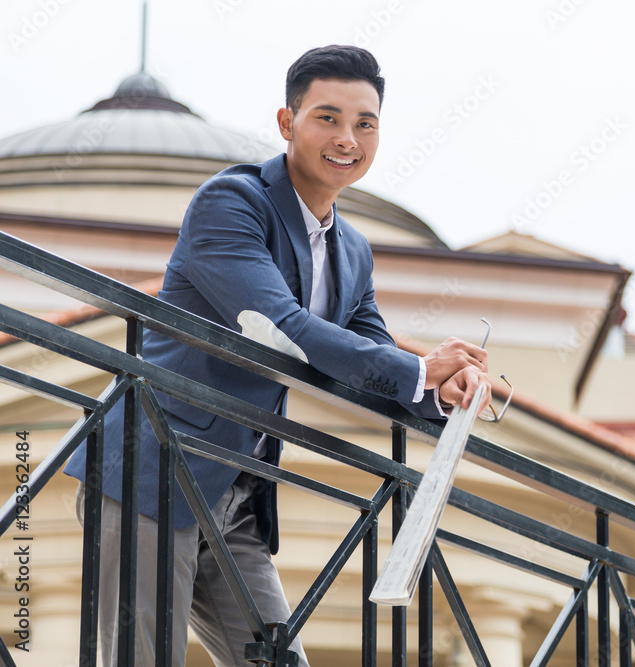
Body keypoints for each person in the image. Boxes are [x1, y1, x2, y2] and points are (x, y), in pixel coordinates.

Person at [64, 45, 491, 666]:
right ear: (287, 124)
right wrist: (419, 370)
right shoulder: (231, 203)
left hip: (235, 494)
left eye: (365, 123)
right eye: (328, 117)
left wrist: (437, 390)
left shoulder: (353, 251)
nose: (348, 138)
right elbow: (280, 328)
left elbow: (367, 352)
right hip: (150, 469)